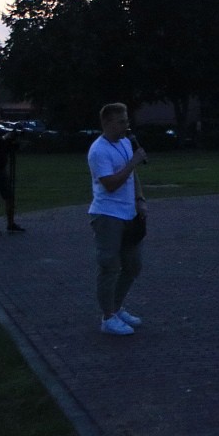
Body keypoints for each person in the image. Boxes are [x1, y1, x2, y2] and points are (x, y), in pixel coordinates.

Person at [88, 103, 148, 335]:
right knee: (109, 267)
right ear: (107, 123)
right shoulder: (98, 151)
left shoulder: (125, 143)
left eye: (126, 120)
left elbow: (132, 176)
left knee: (132, 266)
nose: (126, 125)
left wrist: (140, 199)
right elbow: (110, 184)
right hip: (107, 216)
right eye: (121, 121)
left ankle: (116, 306)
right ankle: (107, 317)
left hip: (129, 214)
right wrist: (133, 161)